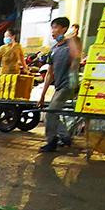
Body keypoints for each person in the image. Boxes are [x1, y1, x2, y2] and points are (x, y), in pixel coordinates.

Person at [37, 16, 81, 153]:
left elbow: (76, 59)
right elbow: (49, 73)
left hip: (68, 85)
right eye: (52, 27)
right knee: (53, 112)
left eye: (56, 27)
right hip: (59, 86)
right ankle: (65, 137)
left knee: (50, 113)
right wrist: (42, 95)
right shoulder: (53, 49)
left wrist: (74, 86)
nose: (53, 31)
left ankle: (51, 142)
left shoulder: (71, 44)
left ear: (64, 29)